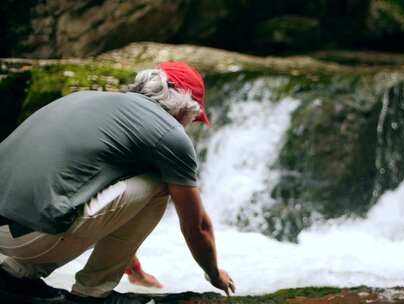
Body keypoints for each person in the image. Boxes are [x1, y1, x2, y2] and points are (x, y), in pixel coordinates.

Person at [0, 61, 235, 304]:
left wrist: (131, 265)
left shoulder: (90, 100)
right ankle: (93, 293)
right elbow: (197, 227)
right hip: (35, 240)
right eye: (194, 118)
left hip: (6, 234)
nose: (188, 124)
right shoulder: (169, 134)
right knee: (160, 183)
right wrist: (214, 273)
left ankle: (16, 275)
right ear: (186, 107)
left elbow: (97, 192)